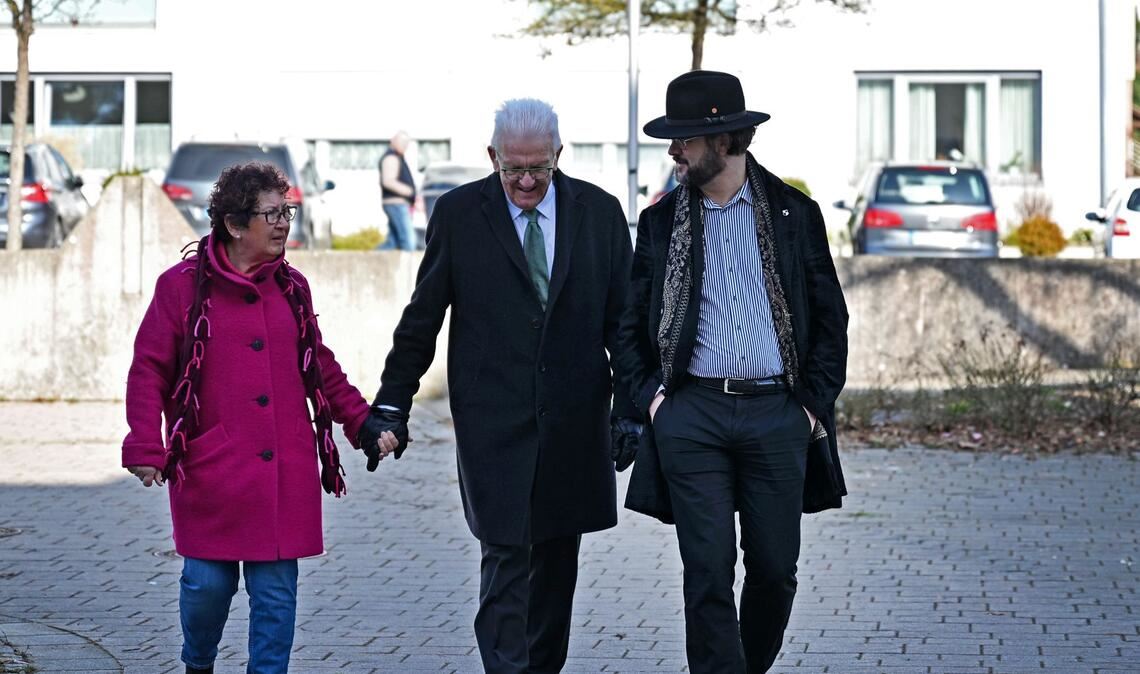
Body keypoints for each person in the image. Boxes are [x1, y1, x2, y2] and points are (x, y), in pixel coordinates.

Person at [357, 98, 637, 673]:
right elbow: (423, 318)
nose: (528, 181)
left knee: (557, 566)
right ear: (493, 158)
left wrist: (631, 408)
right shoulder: (461, 214)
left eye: (540, 168)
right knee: (506, 559)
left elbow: (624, 323)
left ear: (560, 155)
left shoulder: (600, 213)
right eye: (514, 170)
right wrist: (391, 403)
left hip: (573, 419)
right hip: (494, 423)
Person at [616, 70, 850, 673]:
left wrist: (809, 407)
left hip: (778, 413)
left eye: (685, 140)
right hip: (692, 415)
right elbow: (629, 323)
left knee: (775, 569)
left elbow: (831, 320)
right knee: (707, 571)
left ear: (723, 140)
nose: (674, 151)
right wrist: (654, 402)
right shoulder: (662, 221)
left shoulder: (796, 214)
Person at [122, 162, 372, 674]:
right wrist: (146, 444)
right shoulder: (182, 287)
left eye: (288, 211)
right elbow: (149, 368)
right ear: (235, 225)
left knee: (276, 595)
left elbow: (317, 364)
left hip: (284, 468)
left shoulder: (293, 286)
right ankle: (199, 663)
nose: (284, 223)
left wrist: (362, 422)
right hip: (212, 465)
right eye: (272, 214)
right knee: (206, 586)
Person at [377, 131, 418, 251]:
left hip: (398, 203)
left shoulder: (398, 157)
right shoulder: (391, 157)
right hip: (396, 203)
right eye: (403, 142)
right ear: (393, 141)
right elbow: (388, 181)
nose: (405, 146)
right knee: (409, 241)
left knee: (392, 243)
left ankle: (368, 262)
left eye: (407, 143)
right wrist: (409, 191)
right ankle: (410, 270)